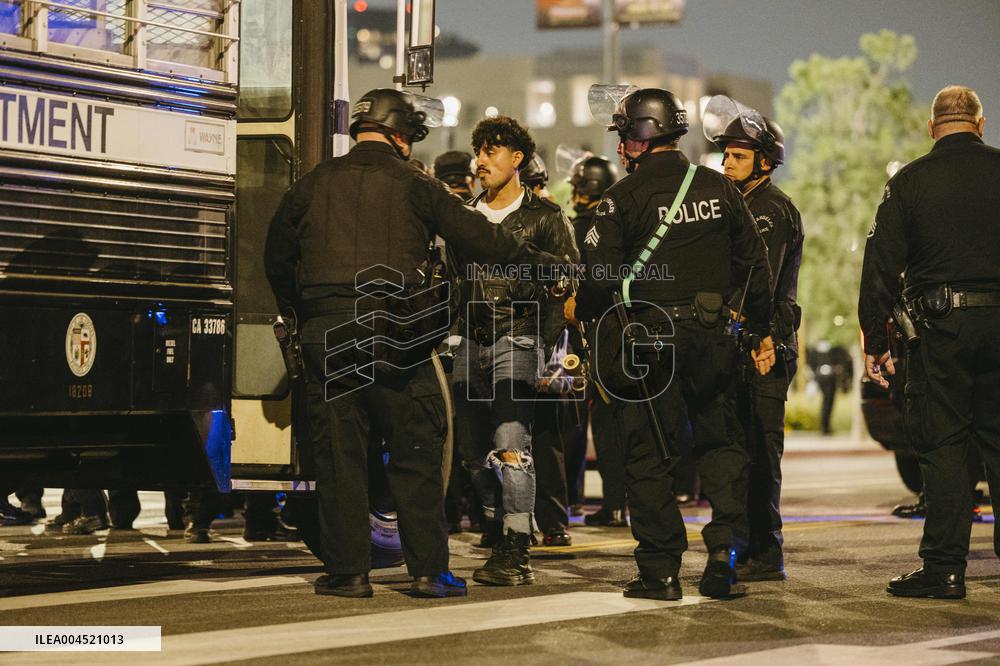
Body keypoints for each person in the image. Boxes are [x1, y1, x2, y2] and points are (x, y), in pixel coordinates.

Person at [264, 88, 561, 599]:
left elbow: (275, 257)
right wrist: (543, 263)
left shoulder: (310, 184)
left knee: (340, 457)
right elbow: (477, 236)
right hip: (396, 336)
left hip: (327, 335)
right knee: (417, 453)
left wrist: (307, 313)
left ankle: (349, 573)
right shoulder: (415, 184)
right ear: (401, 136)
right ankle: (427, 572)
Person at [566, 87, 772, 600]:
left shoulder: (619, 200)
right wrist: (758, 328)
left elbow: (599, 278)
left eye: (623, 136)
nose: (618, 147)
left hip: (647, 342)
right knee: (722, 445)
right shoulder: (720, 189)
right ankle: (724, 558)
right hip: (712, 336)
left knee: (647, 453)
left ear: (641, 136)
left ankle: (660, 572)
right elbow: (756, 264)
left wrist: (580, 309)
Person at [859, 85, 1000, 600]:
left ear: (931, 127)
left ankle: (944, 569)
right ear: (980, 124)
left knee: (944, 447)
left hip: (941, 332)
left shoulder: (909, 182)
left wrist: (876, 340)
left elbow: (879, 266)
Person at [449, 115, 578, 582]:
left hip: (518, 336)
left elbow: (565, 285)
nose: (480, 161)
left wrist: (541, 345)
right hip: (466, 341)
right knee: (469, 452)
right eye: (478, 151)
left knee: (511, 446)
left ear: (517, 159)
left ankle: (516, 544)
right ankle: (494, 520)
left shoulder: (545, 217)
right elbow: (451, 282)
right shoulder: (463, 216)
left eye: (491, 152)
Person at [706, 97, 803, 582]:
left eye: (738, 156)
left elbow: (759, 283)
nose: (727, 163)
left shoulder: (772, 210)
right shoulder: (733, 205)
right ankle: (740, 545)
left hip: (766, 346)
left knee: (762, 453)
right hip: (734, 346)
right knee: (734, 450)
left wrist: (760, 335)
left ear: (765, 161)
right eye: (725, 155)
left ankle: (765, 553)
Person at [564, 155, 629, 529]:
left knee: (586, 421)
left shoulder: (579, 228)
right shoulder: (620, 222)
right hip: (621, 329)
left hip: (587, 330)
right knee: (619, 421)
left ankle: (591, 500)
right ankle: (619, 500)